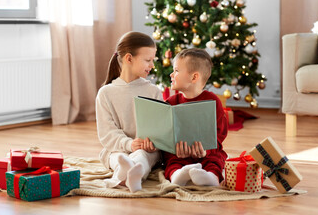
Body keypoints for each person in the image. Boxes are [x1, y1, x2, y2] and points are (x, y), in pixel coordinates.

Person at [96, 31, 162, 192]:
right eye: (148, 60)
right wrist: (128, 144)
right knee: (117, 157)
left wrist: (150, 143)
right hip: (117, 149)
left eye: (153, 60)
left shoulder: (153, 91)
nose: (152, 65)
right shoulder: (106, 93)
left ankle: (126, 176)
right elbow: (107, 133)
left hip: (147, 150)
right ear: (129, 59)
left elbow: (162, 126)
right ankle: (126, 171)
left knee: (143, 157)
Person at [163, 48, 228, 186]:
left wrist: (206, 150)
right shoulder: (171, 102)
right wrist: (175, 149)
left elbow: (220, 133)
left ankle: (211, 178)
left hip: (206, 153)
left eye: (176, 71)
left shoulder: (212, 100)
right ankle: (177, 175)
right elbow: (165, 133)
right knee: (172, 161)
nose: (171, 74)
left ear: (194, 77)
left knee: (216, 159)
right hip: (179, 153)